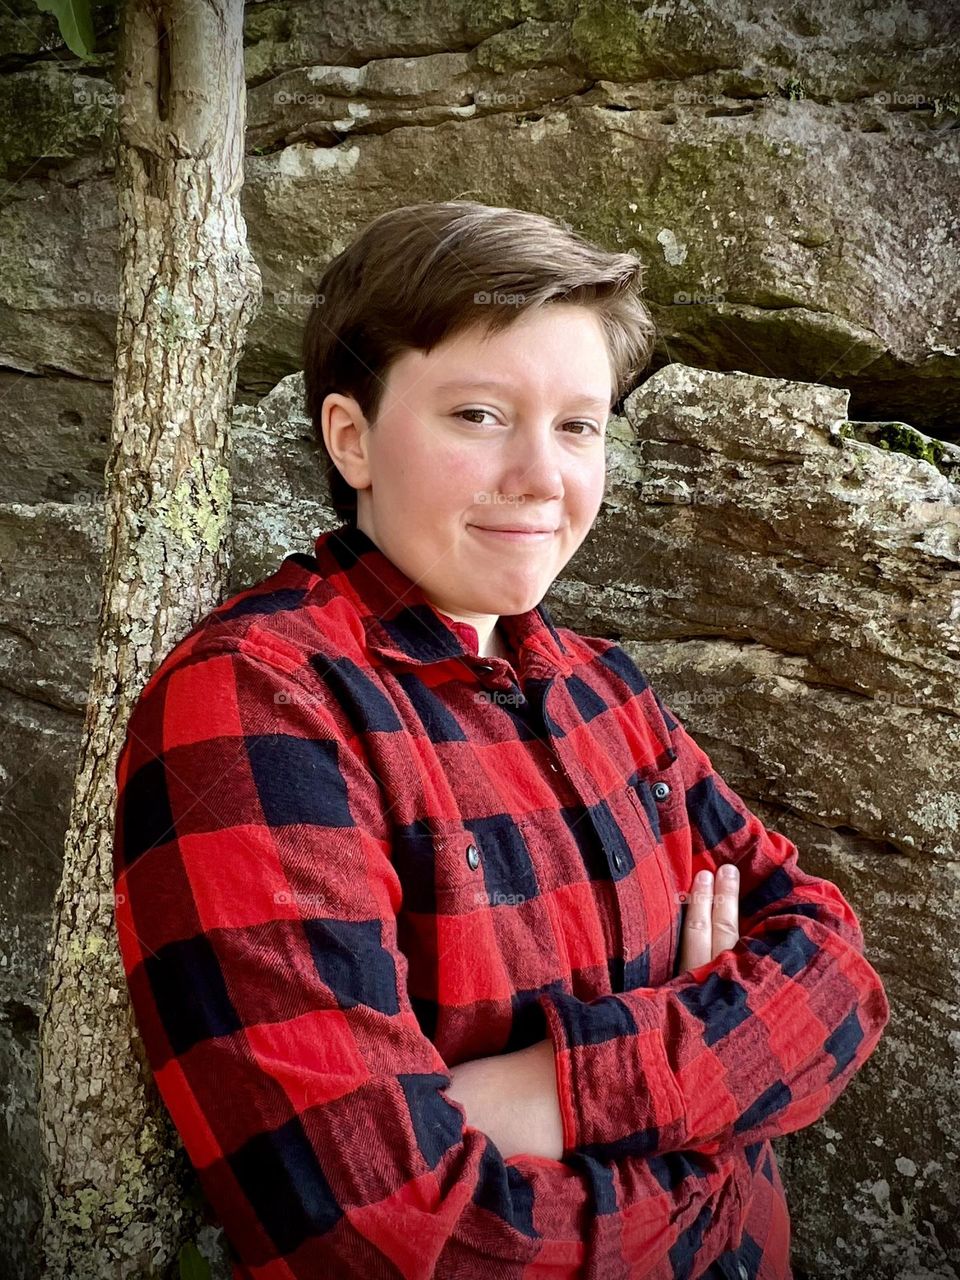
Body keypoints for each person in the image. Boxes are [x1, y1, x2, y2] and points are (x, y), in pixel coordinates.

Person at [112, 202, 890, 1280]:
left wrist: (550, 1093)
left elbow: (840, 973)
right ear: (352, 437)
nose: (543, 475)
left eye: (579, 425)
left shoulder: (603, 686)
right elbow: (381, 1236)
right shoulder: (258, 702)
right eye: (480, 414)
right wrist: (720, 1104)